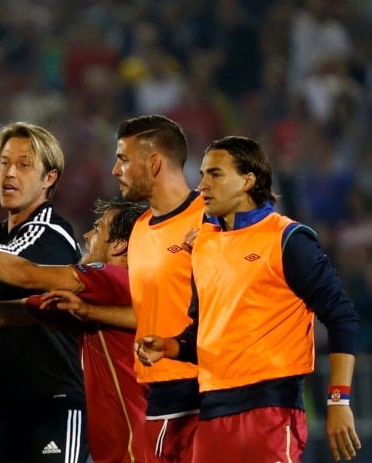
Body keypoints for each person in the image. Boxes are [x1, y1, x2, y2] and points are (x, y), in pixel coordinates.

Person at [136, 136, 361, 463]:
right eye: (201, 175)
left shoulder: (287, 239)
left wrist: (339, 401)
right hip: (211, 413)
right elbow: (201, 332)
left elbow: (342, 316)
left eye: (215, 174)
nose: (202, 186)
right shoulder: (202, 245)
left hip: (270, 410)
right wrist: (170, 347)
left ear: (248, 180)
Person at [0, 199, 150, 463]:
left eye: (98, 228)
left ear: (119, 244)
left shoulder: (113, 277)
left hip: (135, 449)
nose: (87, 235)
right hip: (116, 449)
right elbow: (0, 314)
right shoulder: (90, 305)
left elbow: (27, 274)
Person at [0, 122, 85, 463]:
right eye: (4, 163)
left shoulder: (53, 232)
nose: (10, 173)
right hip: (8, 413)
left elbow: (22, 270)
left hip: (55, 405)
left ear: (49, 178)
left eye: (23, 165)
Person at [110, 115, 204, 462]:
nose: (115, 170)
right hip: (157, 391)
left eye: (122, 158)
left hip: (204, 393)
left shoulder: (209, 221)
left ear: (153, 163)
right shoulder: (138, 229)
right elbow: (145, 308)